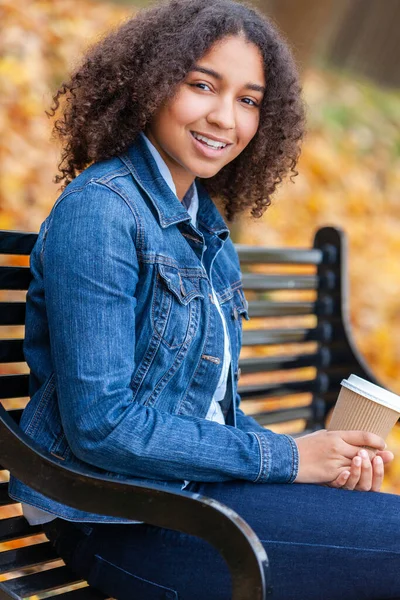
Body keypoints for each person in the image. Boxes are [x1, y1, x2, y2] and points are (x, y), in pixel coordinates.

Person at [8, 0, 399, 598]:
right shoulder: (101, 211)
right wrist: (292, 459)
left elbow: (202, 411)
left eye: (248, 100)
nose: (224, 117)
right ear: (151, 82)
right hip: (115, 517)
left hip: (187, 496)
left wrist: (326, 457)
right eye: (202, 86)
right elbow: (102, 427)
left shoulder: (204, 225)